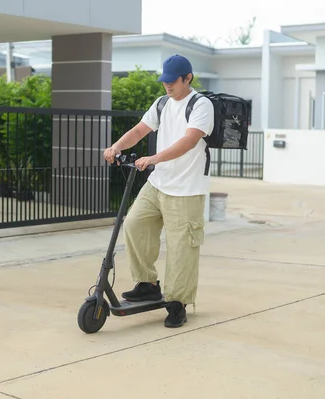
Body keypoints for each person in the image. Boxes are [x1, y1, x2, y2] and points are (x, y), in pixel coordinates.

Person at [103, 54, 214, 328]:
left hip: (186, 188)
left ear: (187, 78)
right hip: (159, 183)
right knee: (134, 224)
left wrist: (153, 159)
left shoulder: (201, 105)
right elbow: (140, 129)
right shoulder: (162, 103)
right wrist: (116, 147)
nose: (167, 86)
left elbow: (188, 142)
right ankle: (147, 283)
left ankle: (177, 303)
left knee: (180, 248)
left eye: (172, 81)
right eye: (164, 81)